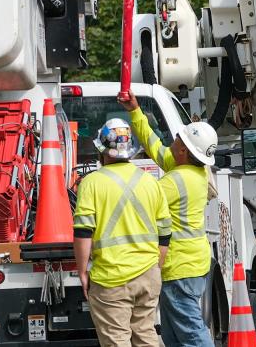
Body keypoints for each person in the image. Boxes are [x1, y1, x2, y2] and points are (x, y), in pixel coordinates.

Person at [120, 91, 217, 347]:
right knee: (174, 336)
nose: (172, 140)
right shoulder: (193, 172)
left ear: (184, 150)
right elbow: (156, 149)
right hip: (190, 264)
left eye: (177, 138)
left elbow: (141, 204)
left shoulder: (176, 181)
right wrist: (135, 111)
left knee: (191, 332)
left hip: (179, 267)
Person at [73, 118, 172, 347]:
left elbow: (83, 232)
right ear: (131, 150)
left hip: (112, 277)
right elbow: (165, 231)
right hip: (148, 274)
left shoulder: (91, 183)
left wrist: (82, 272)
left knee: (117, 341)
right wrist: (157, 265)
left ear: (101, 149)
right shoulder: (150, 182)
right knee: (146, 335)